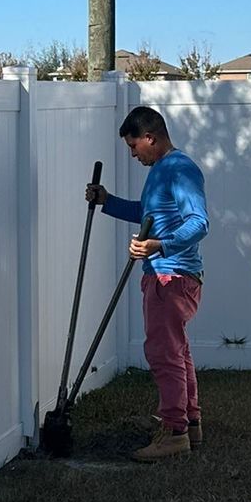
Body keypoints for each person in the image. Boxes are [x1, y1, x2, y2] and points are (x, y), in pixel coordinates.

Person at [86, 106, 209, 461]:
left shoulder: (180, 170)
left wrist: (160, 245)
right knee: (177, 352)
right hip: (167, 274)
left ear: (150, 138)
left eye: (133, 145)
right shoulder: (161, 170)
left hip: (171, 277)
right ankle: (190, 425)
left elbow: (199, 222)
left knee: (163, 354)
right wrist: (107, 201)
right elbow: (148, 213)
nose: (132, 153)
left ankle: (174, 433)